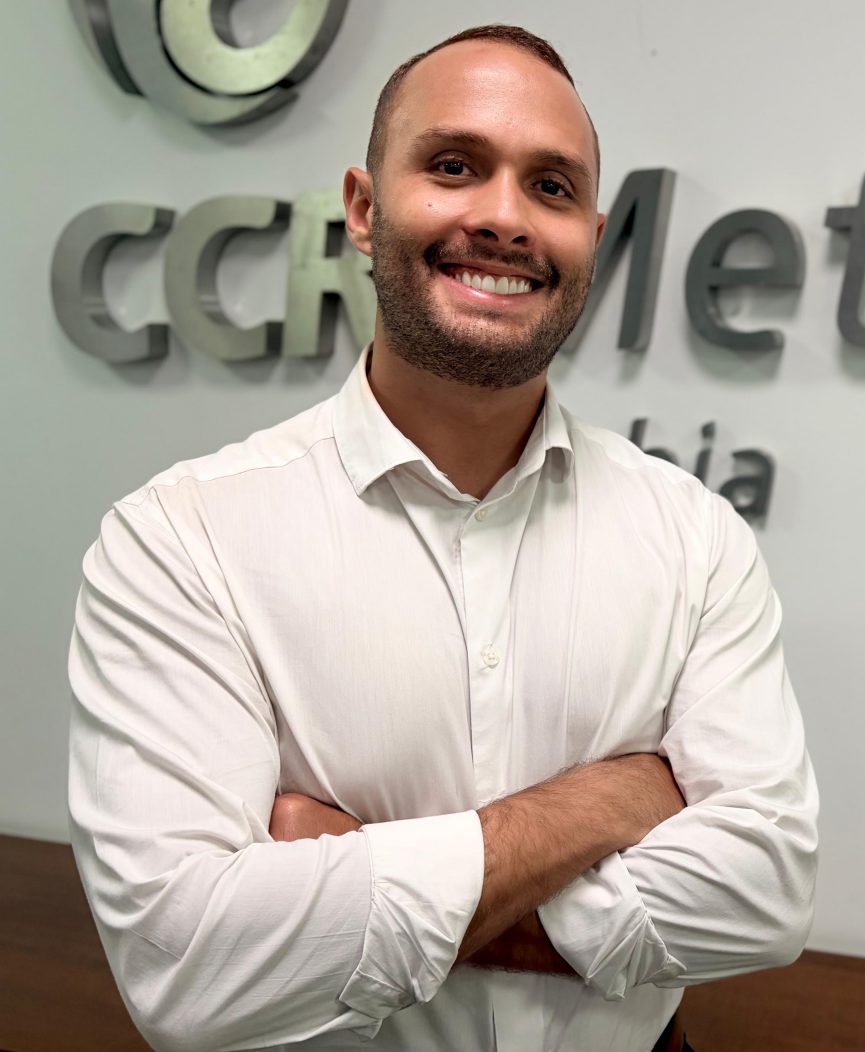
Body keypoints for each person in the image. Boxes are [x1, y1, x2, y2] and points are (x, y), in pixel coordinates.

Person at [68, 24, 819, 1052]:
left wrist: (359, 864)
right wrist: (598, 806)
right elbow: (189, 966)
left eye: (551, 187)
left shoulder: (694, 537)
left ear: (594, 237)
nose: (504, 217)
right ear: (364, 209)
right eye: (455, 166)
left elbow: (767, 891)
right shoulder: (178, 541)